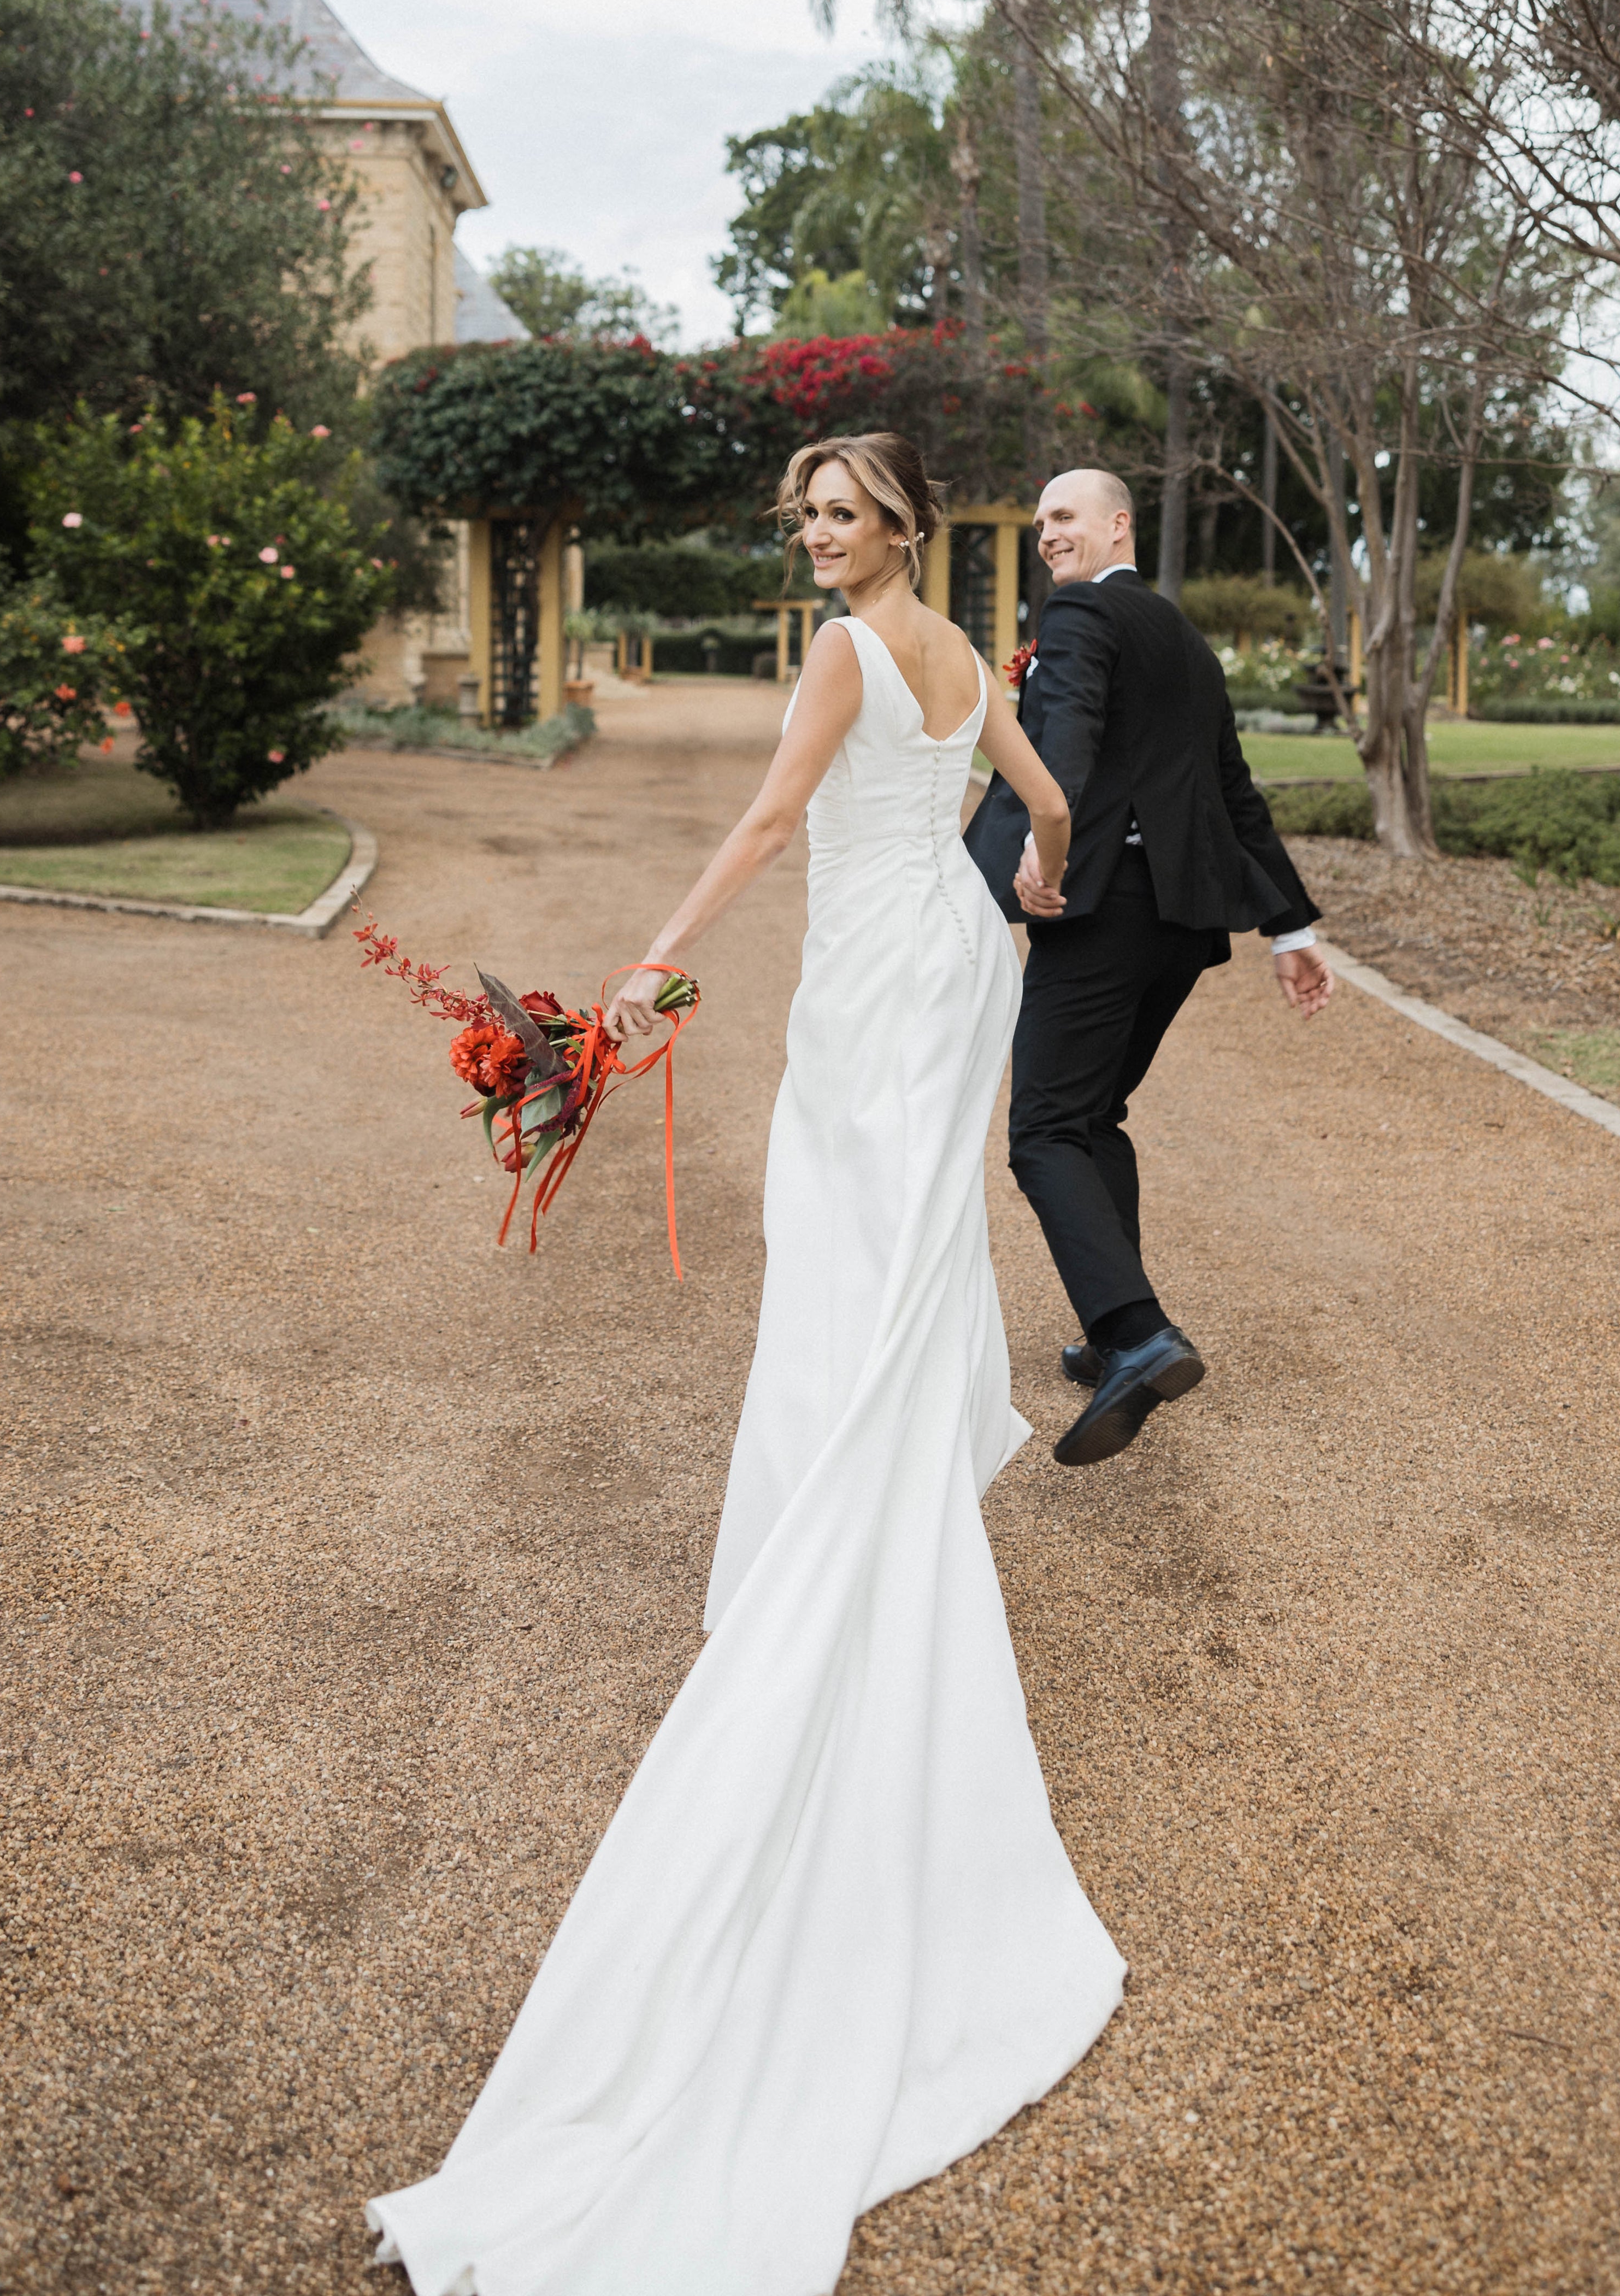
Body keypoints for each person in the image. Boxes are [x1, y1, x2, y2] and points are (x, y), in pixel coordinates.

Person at [367, 431, 1126, 2296]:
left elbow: (771, 822)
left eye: (839, 518)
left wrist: (645, 963)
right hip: (951, 962)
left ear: (895, 529)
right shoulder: (962, 645)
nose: (815, 540)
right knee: (886, 1247)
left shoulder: (862, 650)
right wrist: (1028, 875)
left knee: (842, 1241)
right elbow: (1040, 795)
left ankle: (833, 1535)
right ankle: (861, 1491)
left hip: (881, 979)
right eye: (803, 519)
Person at [965, 467, 1333, 1470]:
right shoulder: (1185, 639)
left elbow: (1068, 733)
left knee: (1042, 1127)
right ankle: (1105, 1332)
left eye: (1064, 516)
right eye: (1040, 519)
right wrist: (1290, 930)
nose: (1048, 535)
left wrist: (1050, 845)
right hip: (1178, 925)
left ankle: (1137, 1334)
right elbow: (1233, 790)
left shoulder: (1082, 613)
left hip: (1103, 910)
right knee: (1094, 1118)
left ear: (1118, 524)